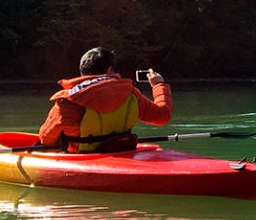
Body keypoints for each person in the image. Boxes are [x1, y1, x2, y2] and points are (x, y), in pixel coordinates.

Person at [39, 47, 173, 152]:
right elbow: (163, 116)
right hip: (122, 152)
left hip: (83, 158)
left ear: (82, 71)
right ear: (109, 70)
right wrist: (158, 85)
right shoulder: (131, 92)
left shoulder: (69, 100)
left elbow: (46, 139)